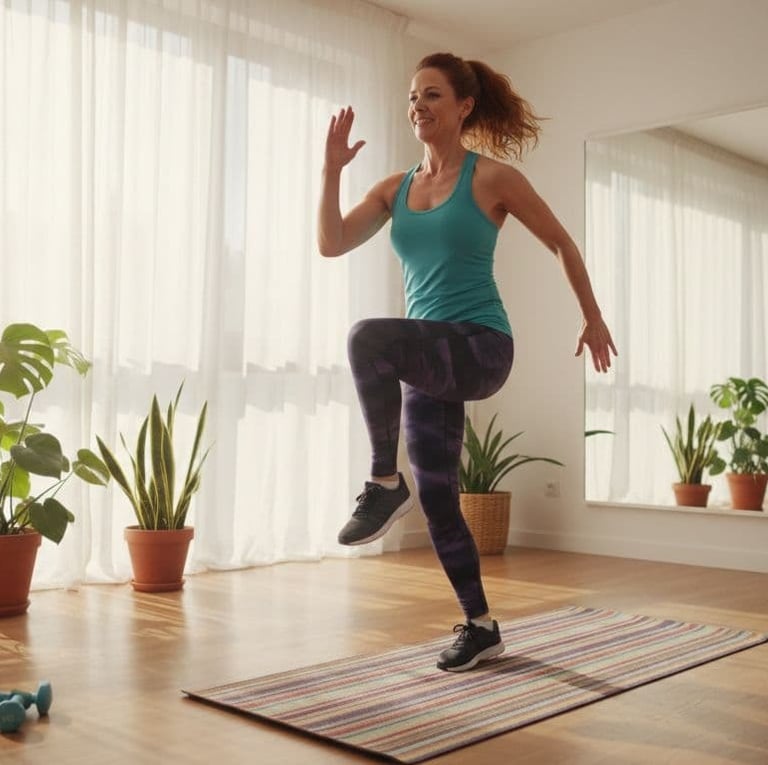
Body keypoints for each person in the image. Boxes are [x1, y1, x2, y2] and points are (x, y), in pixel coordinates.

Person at [317, 52, 617, 672]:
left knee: (367, 338)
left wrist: (592, 315)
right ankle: (481, 627)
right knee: (438, 497)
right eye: (412, 96)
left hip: (480, 346)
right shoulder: (394, 188)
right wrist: (330, 171)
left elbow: (561, 242)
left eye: (432, 95)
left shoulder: (492, 179)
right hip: (431, 359)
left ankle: (383, 483)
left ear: (464, 107)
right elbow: (332, 243)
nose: (418, 106)